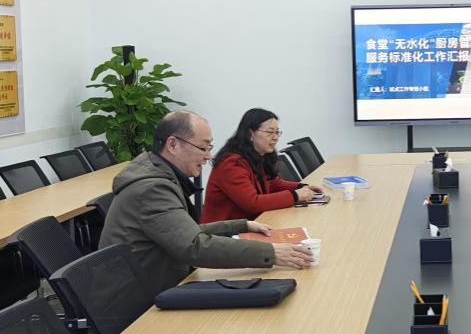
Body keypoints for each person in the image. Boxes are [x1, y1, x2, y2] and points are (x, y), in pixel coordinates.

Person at [101, 110, 313, 291]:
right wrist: (271, 253)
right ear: (173, 144)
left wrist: (241, 225)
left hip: (154, 280)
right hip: (138, 300)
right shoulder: (152, 189)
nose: (209, 156)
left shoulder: (160, 176)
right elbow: (194, 246)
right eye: (203, 148)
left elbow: (186, 233)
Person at [202, 108, 325, 222]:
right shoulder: (231, 163)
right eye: (270, 132)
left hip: (252, 223)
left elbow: (271, 183)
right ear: (250, 134)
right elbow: (253, 203)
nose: (275, 137)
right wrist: (295, 195)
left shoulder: (257, 154)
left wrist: (300, 187)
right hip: (224, 233)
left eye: (277, 132)